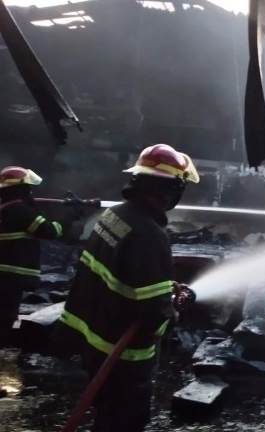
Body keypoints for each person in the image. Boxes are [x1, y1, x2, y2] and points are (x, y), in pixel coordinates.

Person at [58, 144, 199, 432]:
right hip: (122, 355)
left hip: (94, 338)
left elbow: (119, 274)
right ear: (172, 190)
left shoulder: (115, 216)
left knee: (106, 415)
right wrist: (174, 309)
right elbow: (152, 313)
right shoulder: (150, 235)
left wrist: (161, 288)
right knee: (125, 421)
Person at [0, 166, 65, 345]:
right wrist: (66, 220)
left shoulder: (6, 209)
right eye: (28, 188)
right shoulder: (20, 210)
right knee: (5, 318)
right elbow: (49, 231)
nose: (31, 191)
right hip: (12, 275)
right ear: (20, 189)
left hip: (5, 275)